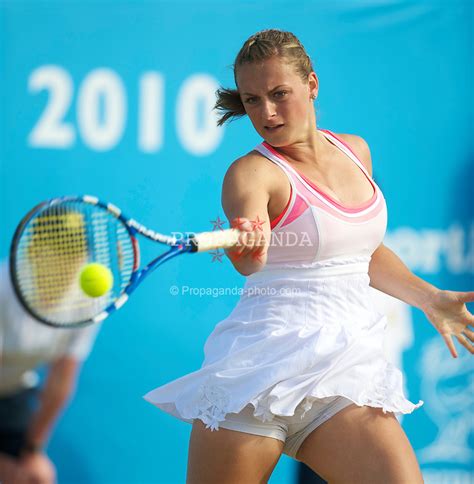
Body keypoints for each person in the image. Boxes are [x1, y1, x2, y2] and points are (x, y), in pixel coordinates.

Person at [144, 29, 474, 483]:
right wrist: (248, 241)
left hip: (343, 374)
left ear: (312, 85)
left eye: (279, 94)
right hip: (257, 376)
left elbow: (362, 251)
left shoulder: (355, 151)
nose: (267, 112)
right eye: (252, 100)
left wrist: (429, 298)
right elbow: (249, 261)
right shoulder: (250, 174)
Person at [0, 259, 101, 484]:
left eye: (67, 265)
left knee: (39, 477)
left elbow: (60, 381)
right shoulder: (3, 289)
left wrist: (33, 451)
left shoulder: (88, 301)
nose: (58, 275)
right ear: (33, 255)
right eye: (52, 263)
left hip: (13, 392)